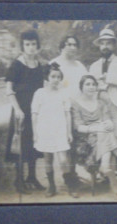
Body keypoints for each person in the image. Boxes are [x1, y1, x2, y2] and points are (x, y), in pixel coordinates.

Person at [89, 28, 117, 188]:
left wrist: (104, 79)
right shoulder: (94, 66)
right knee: (103, 141)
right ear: (99, 46)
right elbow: (90, 85)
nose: (105, 46)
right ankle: (106, 175)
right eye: (103, 43)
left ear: (114, 45)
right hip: (100, 108)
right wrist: (101, 83)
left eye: (109, 43)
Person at [5, 29, 45, 194]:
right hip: (21, 111)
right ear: (22, 46)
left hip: (35, 111)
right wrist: (17, 110)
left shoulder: (39, 65)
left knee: (34, 144)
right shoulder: (17, 64)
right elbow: (8, 89)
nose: (30, 48)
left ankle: (32, 177)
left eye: (33, 44)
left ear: (37, 46)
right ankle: (19, 180)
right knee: (21, 145)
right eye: (27, 44)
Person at [71, 75, 117, 201]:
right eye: (87, 84)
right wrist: (97, 128)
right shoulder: (76, 104)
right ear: (81, 87)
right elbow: (79, 127)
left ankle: (104, 167)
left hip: (101, 136)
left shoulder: (101, 103)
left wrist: (106, 125)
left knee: (106, 133)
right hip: (84, 139)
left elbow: (109, 122)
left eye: (93, 84)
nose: (91, 87)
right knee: (106, 135)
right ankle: (108, 173)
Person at [31, 63, 78, 198]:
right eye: (53, 76)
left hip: (60, 129)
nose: (56, 79)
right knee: (48, 159)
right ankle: (51, 186)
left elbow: (67, 113)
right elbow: (34, 114)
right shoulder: (39, 93)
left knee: (63, 159)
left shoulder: (63, 93)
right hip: (45, 130)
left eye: (58, 76)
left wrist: (68, 132)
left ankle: (70, 185)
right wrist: (35, 133)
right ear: (47, 77)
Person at [50, 35, 88, 185]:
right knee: (63, 144)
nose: (72, 47)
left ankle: (73, 175)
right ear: (62, 46)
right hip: (60, 109)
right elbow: (48, 87)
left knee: (74, 143)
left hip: (78, 109)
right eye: (68, 44)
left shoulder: (80, 66)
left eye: (74, 45)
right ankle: (68, 179)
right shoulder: (54, 64)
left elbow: (86, 84)